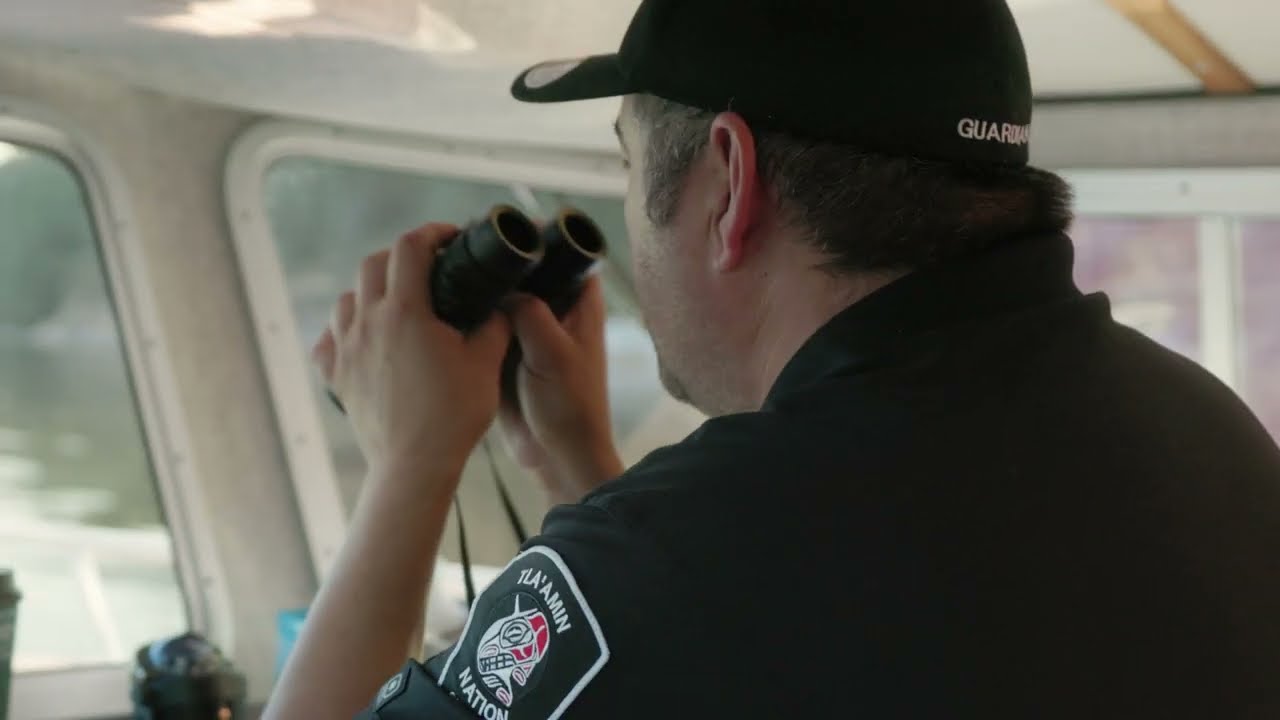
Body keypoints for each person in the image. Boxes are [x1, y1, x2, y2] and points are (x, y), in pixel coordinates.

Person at [264, 0, 1280, 718]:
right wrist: (575, 467)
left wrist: (408, 462)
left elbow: (711, 590)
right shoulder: (1209, 434)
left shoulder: (674, 559)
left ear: (725, 182)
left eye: (625, 160)